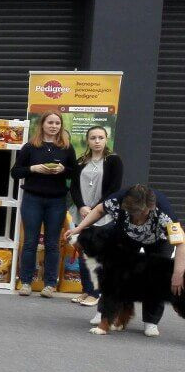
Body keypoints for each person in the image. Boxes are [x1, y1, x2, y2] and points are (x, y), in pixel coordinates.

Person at [66, 184, 185, 337]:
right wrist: (79, 228)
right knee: (116, 283)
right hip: (128, 237)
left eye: (139, 214)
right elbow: (98, 210)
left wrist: (178, 273)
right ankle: (115, 318)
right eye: (132, 213)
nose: (137, 219)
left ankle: (151, 322)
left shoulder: (164, 213)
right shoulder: (118, 199)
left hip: (159, 241)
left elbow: (181, 243)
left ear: (150, 207)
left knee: (156, 283)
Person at [11, 111, 77, 297]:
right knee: (30, 242)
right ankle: (25, 282)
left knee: (52, 243)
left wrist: (64, 169)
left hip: (57, 201)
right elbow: (15, 172)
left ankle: (50, 284)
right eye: (50, 122)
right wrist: (33, 168)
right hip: (33, 199)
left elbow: (75, 173)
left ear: (61, 126)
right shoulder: (30, 147)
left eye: (57, 123)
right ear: (42, 124)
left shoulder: (66, 148)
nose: (54, 126)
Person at [68, 126, 122, 308]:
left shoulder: (114, 160)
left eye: (100, 137)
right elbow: (73, 186)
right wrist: (82, 205)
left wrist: (95, 209)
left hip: (103, 214)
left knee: (98, 256)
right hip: (81, 212)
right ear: (87, 140)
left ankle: (97, 292)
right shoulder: (81, 161)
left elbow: (114, 188)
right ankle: (86, 289)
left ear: (106, 139)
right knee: (83, 251)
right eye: (93, 138)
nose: (97, 141)